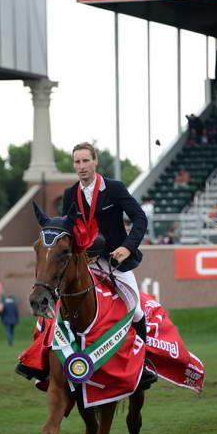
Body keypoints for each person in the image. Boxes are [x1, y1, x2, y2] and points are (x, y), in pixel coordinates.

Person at [62, 141, 157, 390]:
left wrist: (128, 246)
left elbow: (139, 217)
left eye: (85, 161)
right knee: (60, 303)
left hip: (116, 261)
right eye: (77, 162)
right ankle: (43, 363)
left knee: (135, 310)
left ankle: (144, 365)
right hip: (85, 263)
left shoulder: (114, 188)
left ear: (95, 162)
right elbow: (67, 230)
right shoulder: (69, 194)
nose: (81, 166)